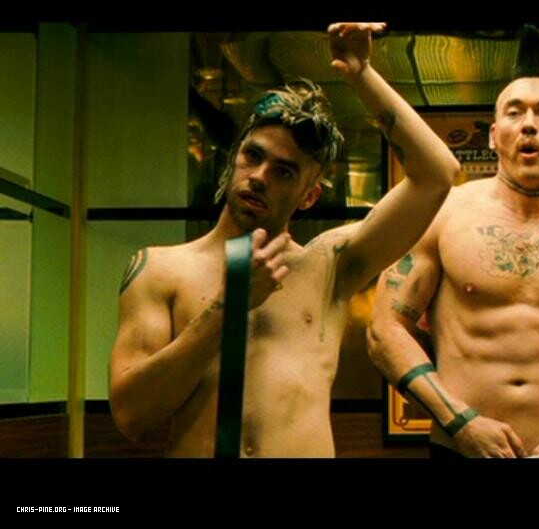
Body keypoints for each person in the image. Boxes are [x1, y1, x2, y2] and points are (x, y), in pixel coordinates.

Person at [109, 22, 461, 457]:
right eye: (253, 156)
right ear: (234, 160)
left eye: (284, 171)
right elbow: (132, 416)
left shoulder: (330, 266)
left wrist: (361, 74)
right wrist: (228, 306)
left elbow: (437, 174)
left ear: (309, 196)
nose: (259, 177)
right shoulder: (160, 269)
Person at [368, 45, 539, 457]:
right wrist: (461, 422)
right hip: (460, 448)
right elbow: (385, 330)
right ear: (493, 135)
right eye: (514, 112)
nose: (529, 125)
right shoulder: (443, 212)